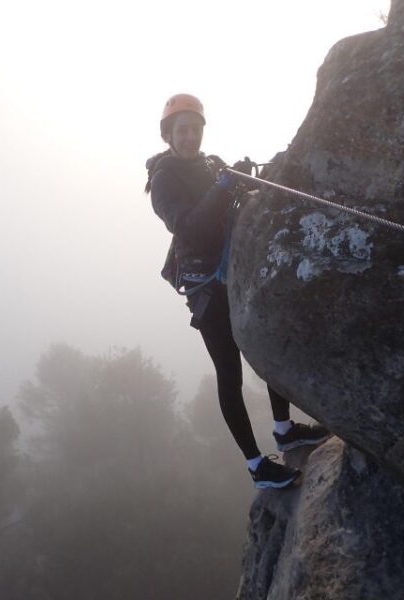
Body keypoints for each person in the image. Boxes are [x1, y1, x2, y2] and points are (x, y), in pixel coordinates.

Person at [145, 93, 330, 489]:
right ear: (168, 136)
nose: (191, 136)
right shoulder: (163, 180)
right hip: (206, 287)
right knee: (229, 371)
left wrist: (236, 178)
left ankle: (284, 430)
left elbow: (222, 203)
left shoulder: (210, 165)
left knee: (264, 342)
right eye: (183, 130)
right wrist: (224, 184)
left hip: (234, 269)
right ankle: (256, 465)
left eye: (196, 128)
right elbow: (188, 225)